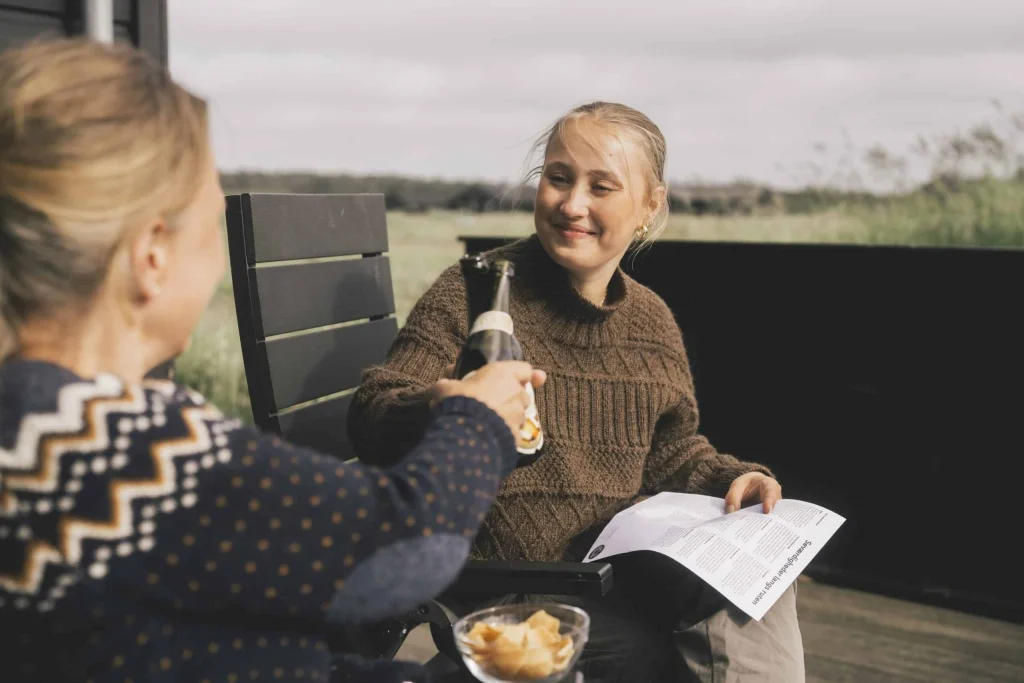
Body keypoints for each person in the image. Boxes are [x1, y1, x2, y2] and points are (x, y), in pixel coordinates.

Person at [0, 38, 546, 683]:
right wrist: (476, 418)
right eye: (209, 224)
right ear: (152, 256)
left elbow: (167, 645)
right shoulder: (100, 443)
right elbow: (401, 546)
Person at [347, 102, 804, 682]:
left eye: (601, 186)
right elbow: (373, 411)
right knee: (658, 654)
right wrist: (442, 405)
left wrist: (732, 481)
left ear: (648, 206)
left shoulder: (650, 320)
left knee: (758, 577)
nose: (572, 204)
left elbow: (670, 451)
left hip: (614, 572)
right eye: (558, 178)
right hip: (508, 587)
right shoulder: (480, 292)